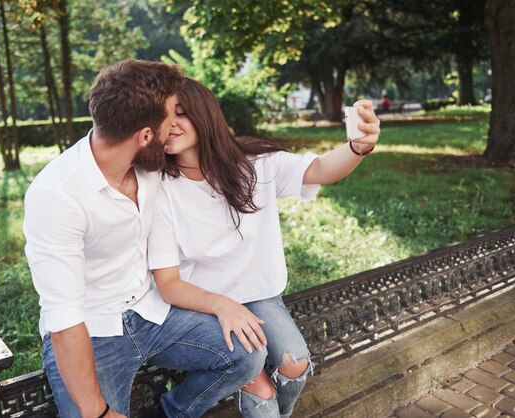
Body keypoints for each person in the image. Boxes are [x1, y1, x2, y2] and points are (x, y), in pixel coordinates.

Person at [23, 61, 266, 418]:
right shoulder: (57, 195)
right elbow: (63, 318)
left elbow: (212, 163)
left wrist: (220, 303)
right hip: (91, 331)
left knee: (247, 353)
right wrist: (98, 412)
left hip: (152, 314)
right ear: (146, 135)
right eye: (170, 119)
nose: (173, 129)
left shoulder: (149, 168)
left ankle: (171, 412)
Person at [148, 78, 380, 418]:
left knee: (295, 365)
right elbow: (168, 282)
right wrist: (221, 308)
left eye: (180, 114)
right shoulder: (159, 187)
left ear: (204, 114)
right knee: (261, 389)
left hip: (257, 292)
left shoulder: (256, 163)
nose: (169, 125)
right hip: (199, 303)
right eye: (162, 118)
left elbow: (320, 170)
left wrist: (358, 146)